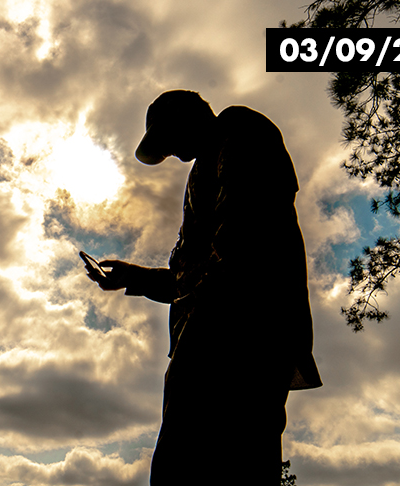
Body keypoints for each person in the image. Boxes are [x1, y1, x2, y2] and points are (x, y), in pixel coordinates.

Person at [84, 90, 322, 484]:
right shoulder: (204, 169)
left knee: (199, 460)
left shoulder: (239, 130)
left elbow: (244, 233)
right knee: (212, 462)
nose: (174, 153)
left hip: (241, 331)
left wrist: (205, 311)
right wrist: (137, 278)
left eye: (170, 140)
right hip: (222, 330)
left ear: (189, 118)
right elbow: (194, 274)